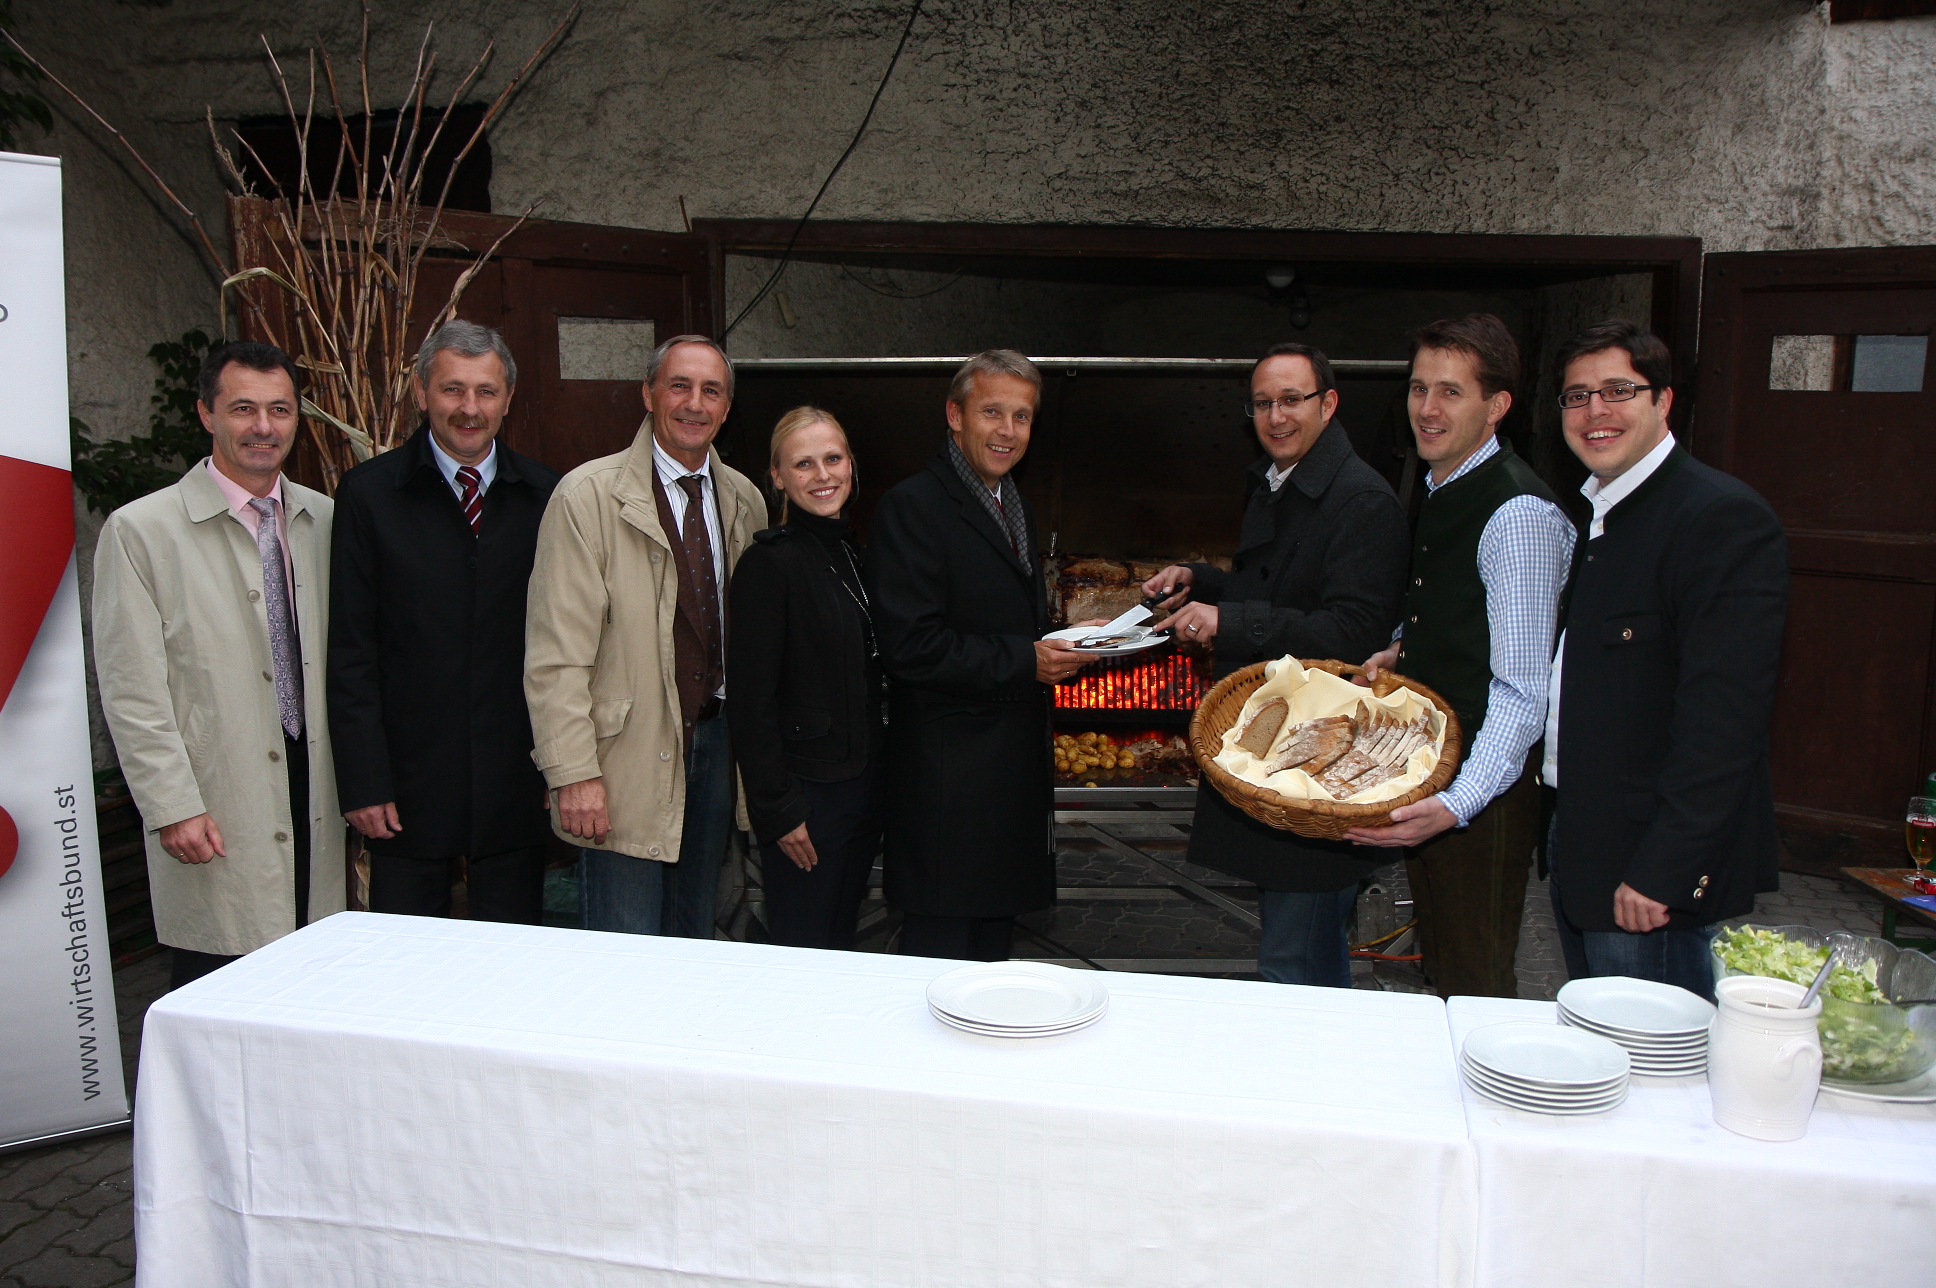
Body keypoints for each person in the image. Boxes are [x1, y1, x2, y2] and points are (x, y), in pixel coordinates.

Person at [1142, 342, 1409, 987]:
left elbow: (1349, 632)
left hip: (1315, 765)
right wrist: (1201, 582)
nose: (1276, 416)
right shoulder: (1278, 481)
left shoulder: (1360, 501)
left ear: (1329, 403)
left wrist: (1228, 622)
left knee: (1296, 955)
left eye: (1292, 400)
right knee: (1293, 945)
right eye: (1263, 403)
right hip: (1281, 751)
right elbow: (1281, 585)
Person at [1543, 320, 1786, 997]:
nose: (1596, 412)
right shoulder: (1602, 515)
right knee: (1601, 1045)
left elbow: (1724, 723)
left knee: (1658, 1072)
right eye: (1577, 396)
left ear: (1664, 401)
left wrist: (1665, 869)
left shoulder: (1718, 519)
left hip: (1647, 871)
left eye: (1618, 390)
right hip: (1584, 836)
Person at [92, 341, 344, 988]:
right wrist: (171, 805)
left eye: (280, 409)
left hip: (316, 786)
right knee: (221, 990)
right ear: (206, 413)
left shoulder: (327, 520)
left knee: (315, 979)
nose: (264, 426)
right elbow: (131, 690)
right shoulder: (140, 532)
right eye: (243, 408)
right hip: (217, 797)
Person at [1346, 315, 1574, 1000]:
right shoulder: (1448, 484)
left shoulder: (1517, 514)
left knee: (1476, 985)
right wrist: (1404, 649)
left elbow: (1523, 688)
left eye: (1451, 392)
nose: (1428, 408)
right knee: (1441, 970)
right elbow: (1467, 618)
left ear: (1496, 405)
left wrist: (1459, 802)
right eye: (1419, 389)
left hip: (1484, 790)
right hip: (1441, 775)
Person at [524, 334, 766, 936]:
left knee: (694, 939)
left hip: (714, 749)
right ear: (648, 394)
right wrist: (573, 772)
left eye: (711, 390)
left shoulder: (746, 502)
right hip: (620, 760)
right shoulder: (588, 498)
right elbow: (556, 656)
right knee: (622, 952)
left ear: (727, 407)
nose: (694, 403)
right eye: (679, 386)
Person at [327, 320, 560, 923]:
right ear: (421, 390)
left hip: (517, 781)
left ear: (509, 398)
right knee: (407, 970)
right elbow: (352, 650)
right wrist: (363, 781)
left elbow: (570, 645)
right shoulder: (368, 495)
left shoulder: (549, 497)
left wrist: (565, 768)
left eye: (485, 391)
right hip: (405, 788)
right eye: (453, 389)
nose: (469, 408)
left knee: (511, 967)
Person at [867, 350, 1094, 961]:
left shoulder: (1009, 500)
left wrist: (1074, 636)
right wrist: (1027, 661)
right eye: (992, 411)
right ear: (954, 415)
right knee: (941, 976)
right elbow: (910, 648)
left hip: (1005, 790)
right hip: (950, 797)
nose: (1008, 431)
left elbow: (993, 614)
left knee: (993, 973)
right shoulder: (912, 508)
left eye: (1021, 417)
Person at [727, 407, 885, 950]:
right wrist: (779, 812)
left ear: (850, 464)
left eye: (833, 459)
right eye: (804, 464)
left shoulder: (853, 553)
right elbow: (751, 702)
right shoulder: (767, 566)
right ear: (778, 476)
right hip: (807, 802)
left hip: (860, 792)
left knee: (840, 946)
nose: (823, 475)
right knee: (804, 952)